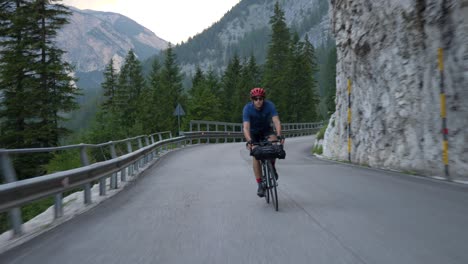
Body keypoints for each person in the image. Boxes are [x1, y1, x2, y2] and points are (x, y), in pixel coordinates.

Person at [243, 87, 284, 197]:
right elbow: (245, 127)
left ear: (263, 99)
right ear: (252, 100)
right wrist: (249, 141)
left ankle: (272, 165)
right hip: (254, 134)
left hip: (266, 131)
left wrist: (279, 135)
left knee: (274, 145)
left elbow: (276, 120)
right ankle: (260, 184)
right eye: (255, 99)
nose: (258, 101)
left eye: (260, 98)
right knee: (256, 155)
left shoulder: (269, 105)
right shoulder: (247, 108)